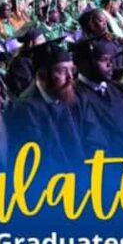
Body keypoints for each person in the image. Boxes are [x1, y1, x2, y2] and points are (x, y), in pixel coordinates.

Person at [7, 40, 84, 168]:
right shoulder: (25, 110)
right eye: (63, 71)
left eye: (71, 70)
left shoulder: (65, 97)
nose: (70, 77)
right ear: (42, 75)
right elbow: (40, 160)